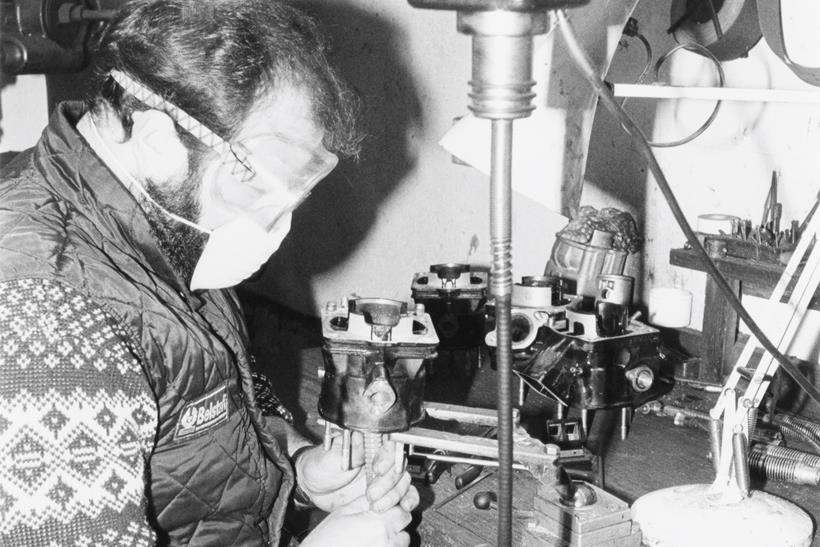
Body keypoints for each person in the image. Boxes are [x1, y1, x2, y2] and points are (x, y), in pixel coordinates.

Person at [0, 0, 418, 545]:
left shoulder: (154, 221)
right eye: (253, 189)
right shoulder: (45, 321)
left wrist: (297, 469)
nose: (272, 229)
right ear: (157, 142)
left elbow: (213, 396)